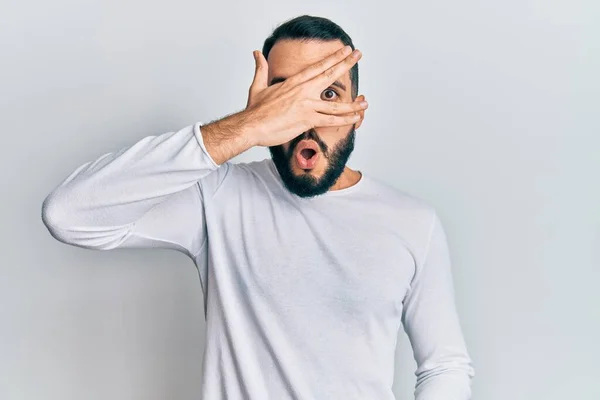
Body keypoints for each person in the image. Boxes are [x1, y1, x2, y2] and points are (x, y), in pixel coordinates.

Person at [42, 14, 474, 400]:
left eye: (326, 92)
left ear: (356, 111)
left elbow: (444, 366)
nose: (305, 116)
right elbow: (69, 215)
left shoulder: (412, 222)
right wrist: (246, 127)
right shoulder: (219, 196)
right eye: (285, 94)